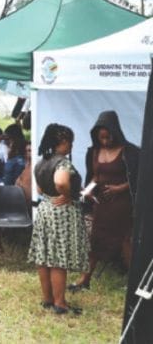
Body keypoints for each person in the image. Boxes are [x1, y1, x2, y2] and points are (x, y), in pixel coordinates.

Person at [71, 111, 140, 291]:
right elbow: (96, 176)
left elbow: (138, 177)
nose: (105, 141)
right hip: (102, 204)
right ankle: (85, 280)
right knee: (96, 240)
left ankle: (135, 282)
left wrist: (120, 188)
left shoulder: (129, 152)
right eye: (101, 138)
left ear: (115, 132)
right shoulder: (95, 151)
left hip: (122, 205)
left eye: (108, 137)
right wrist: (87, 190)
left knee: (125, 242)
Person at [28, 123, 88, 315]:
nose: (71, 146)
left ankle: (47, 299)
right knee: (58, 259)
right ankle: (60, 303)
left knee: (44, 257)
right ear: (62, 141)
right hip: (60, 213)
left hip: (45, 209)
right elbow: (61, 181)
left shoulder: (41, 162)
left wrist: (53, 194)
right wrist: (69, 195)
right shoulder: (62, 163)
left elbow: (39, 190)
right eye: (70, 142)